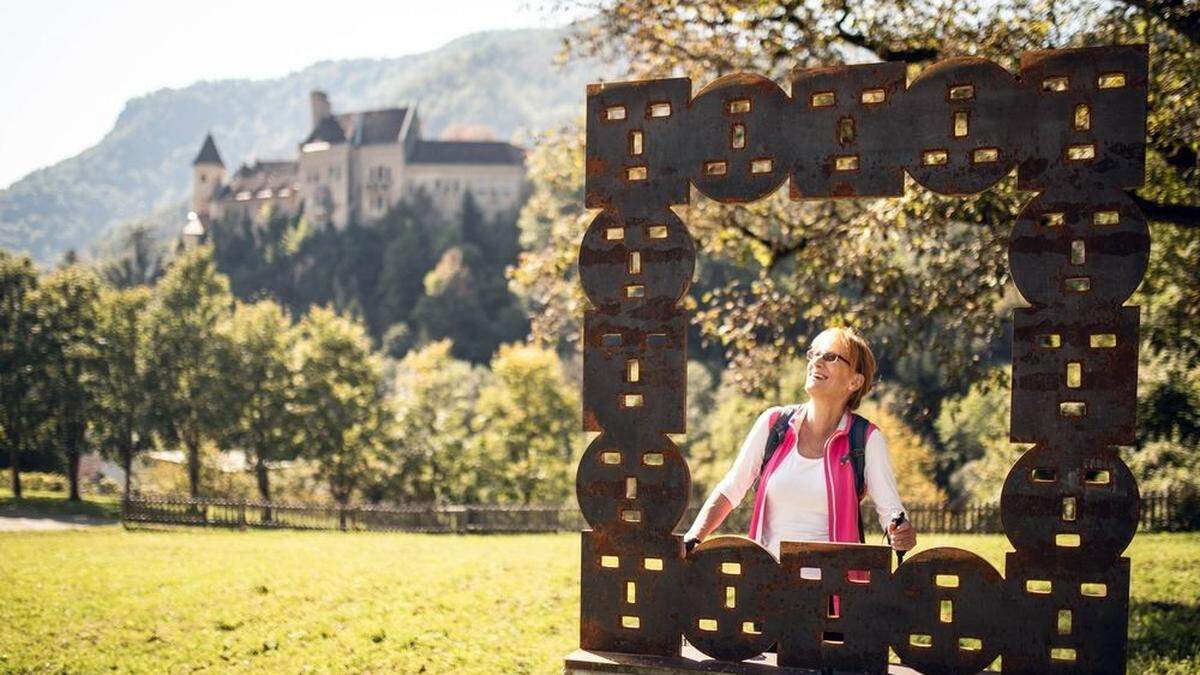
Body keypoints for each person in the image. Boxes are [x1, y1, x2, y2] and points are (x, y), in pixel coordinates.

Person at [683, 327, 917, 559]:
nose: (816, 361)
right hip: (768, 587)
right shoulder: (773, 423)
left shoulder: (865, 438)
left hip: (834, 590)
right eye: (813, 354)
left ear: (855, 381)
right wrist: (694, 536)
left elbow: (892, 512)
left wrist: (901, 531)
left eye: (830, 357)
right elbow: (731, 489)